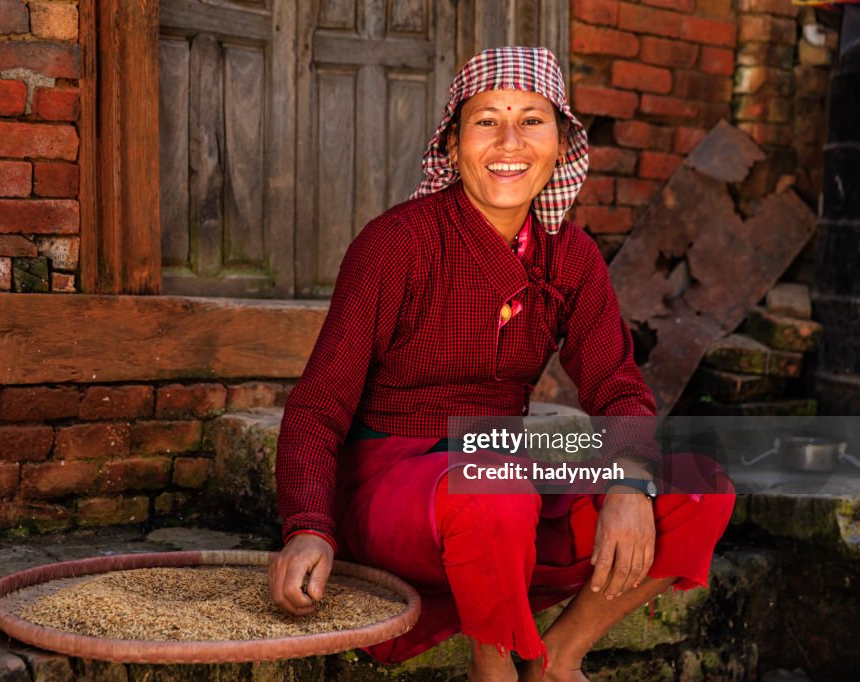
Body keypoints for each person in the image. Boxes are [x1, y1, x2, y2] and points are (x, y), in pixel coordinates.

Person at [268, 47, 735, 682]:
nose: (509, 141)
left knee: (695, 479)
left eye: (531, 120)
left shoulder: (570, 257)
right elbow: (319, 405)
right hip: (395, 486)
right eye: (487, 120)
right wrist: (307, 527)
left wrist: (629, 479)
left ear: (562, 143)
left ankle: (561, 657)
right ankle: (493, 666)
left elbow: (617, 385)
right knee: (497, 486)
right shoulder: (396, 244)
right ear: (455, 145)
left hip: (500, 461)